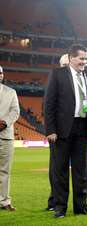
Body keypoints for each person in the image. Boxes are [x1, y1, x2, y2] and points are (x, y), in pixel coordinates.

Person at [44, 44, 87, 218]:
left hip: (83, 127)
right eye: (81, 58)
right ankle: (60, 208)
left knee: (81, 171)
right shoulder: (58, 74)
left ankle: (81, 207)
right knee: (60, 171)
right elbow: (49, 104)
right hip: (62, 130)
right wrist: (51, 130)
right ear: (71, 58)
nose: (84, 62)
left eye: (86, 59)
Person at [0, 65, 20, 211]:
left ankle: (4, 201)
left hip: (5, 136)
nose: (0, 75)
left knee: (4, 171)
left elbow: (15, 111)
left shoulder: (11, 92)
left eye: (0, 73)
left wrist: (5, 122)